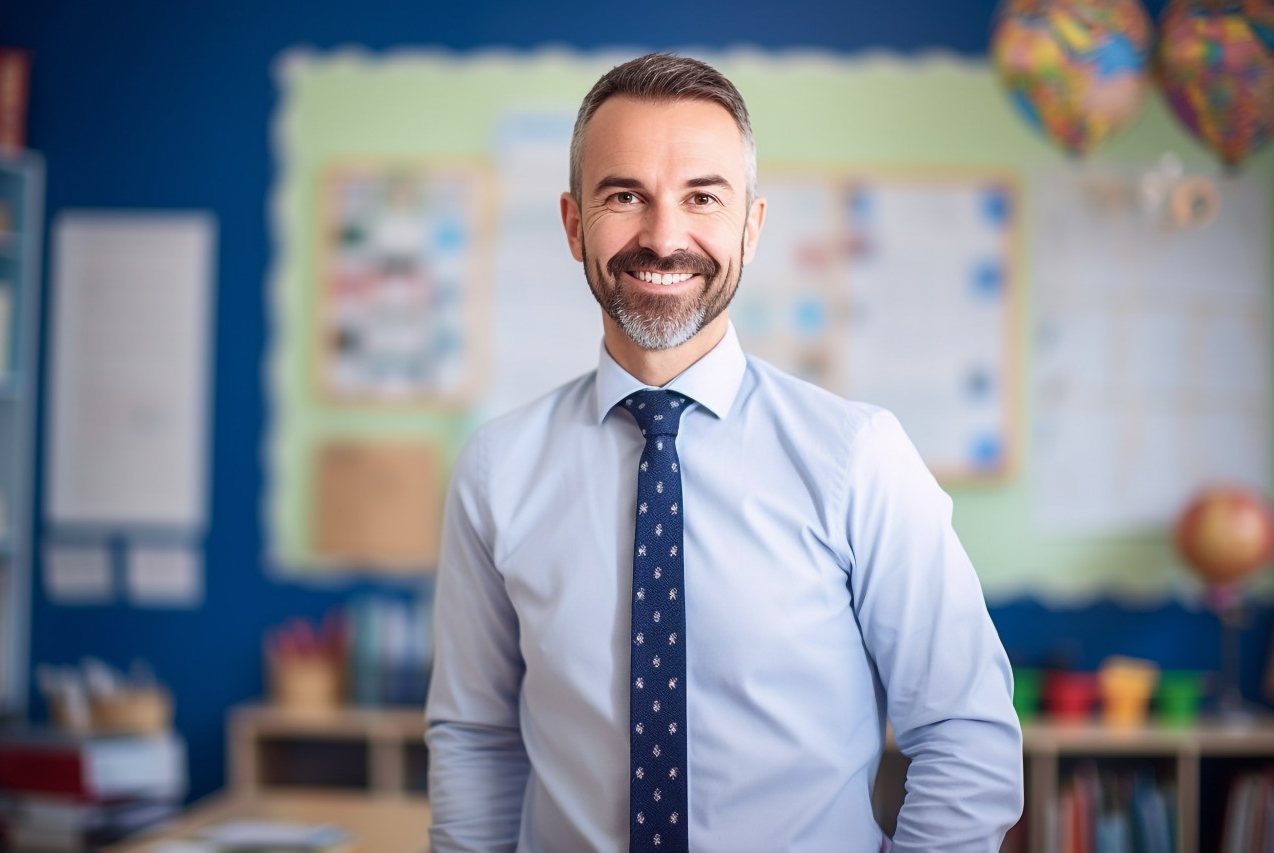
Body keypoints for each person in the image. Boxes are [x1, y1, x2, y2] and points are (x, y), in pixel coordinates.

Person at [425, 52, 1023, 852]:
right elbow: (475, 737)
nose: (664, 236)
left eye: (701, 196)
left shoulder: (859, 458)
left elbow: (965, 738)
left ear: (752, 225)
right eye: (624, 195)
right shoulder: (497, 470)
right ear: (574, 224)